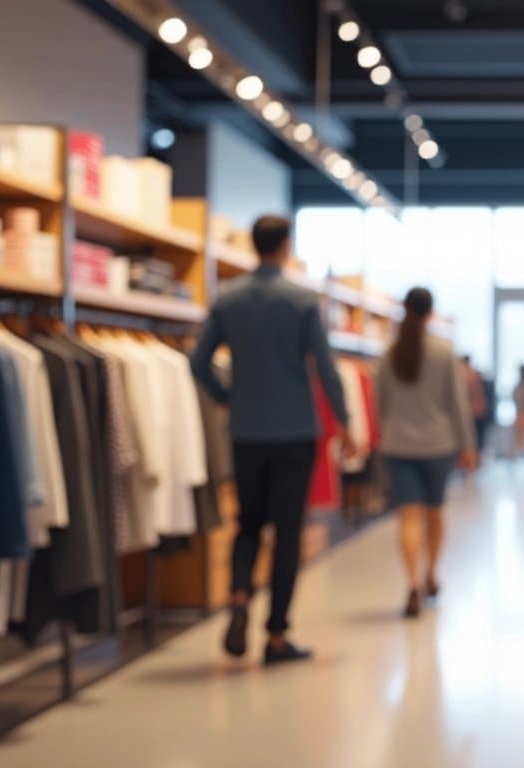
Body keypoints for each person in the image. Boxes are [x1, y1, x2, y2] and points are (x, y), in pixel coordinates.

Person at [190, 214, 358, 666]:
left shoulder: (228, 301)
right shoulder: (302, 301)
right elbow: (325, 368)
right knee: (287, 534)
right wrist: (344, 422)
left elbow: (198, 360)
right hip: (296, 432)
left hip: (246, 429)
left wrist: (226, 396)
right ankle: (277, 634)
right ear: (284, 246)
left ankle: (240, 595)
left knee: (248, 523)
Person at [376, 287, 478, 619]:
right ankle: (432, 573)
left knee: (408, 517)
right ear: (431, 313)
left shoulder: (389, 353)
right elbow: (457, 405)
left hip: (398, 445)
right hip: (438, 445)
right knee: (434, 513)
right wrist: (467, 445)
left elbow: (381, 404)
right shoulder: (444, 352)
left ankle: (412, 582)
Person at [461, 355, 489, 458]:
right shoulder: (474, 374)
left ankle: (475, 459)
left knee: (474, 438)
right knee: (476, 438)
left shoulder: (467, 375)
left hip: (473, 411)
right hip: (475, 410)